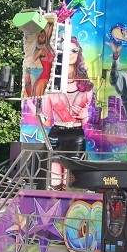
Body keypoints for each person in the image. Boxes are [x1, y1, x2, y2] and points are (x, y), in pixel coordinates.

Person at [40, 36, 94, 189]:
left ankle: (69, 202)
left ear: (79, 53)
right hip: (57, 133)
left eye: (74, 50)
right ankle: (55, 200)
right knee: (55, 178)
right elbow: (47, 121)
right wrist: (39, 109)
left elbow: (86, 121)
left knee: (70, 179)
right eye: (66, 50)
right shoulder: (51, 85)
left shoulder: (86, 85)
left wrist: (85, 115)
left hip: (76, 134)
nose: (70, 54)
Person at [31, 21, 54, 97]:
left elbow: (48, 35)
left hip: (48, 79)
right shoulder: (42, 51)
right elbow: (32, 60)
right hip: (43, 79)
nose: (42, 37)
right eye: (40, 36)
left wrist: (52, 24)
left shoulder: (49, 48)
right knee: (37, 100)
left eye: (43, 35)